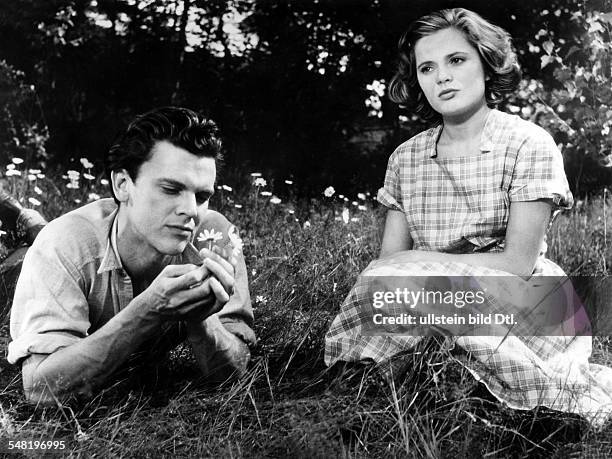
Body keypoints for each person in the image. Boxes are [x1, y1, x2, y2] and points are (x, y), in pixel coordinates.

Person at [325, 8, 612, 425]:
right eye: (427, 67)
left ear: (486, 62)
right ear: (418, 81)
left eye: (456, 60)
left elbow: (518, 264)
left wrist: (420, 268)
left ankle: (520, 402)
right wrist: (408, 273)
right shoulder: (406, 159)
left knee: (422, 289)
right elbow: (389, 264)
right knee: (389, 288)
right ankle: (396, 384)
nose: (441, 76)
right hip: (426, 297)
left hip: (525, 296)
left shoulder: (528, 143)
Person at [8, 106, 256, 405]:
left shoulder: (214, 238)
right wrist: (149, 310)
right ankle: (24, 220)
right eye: (170, 188)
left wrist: (202, 322)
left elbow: (236, 375)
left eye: (202, 196)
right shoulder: (62, 246)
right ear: (122, 185)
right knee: (23, 256)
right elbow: (40, 389)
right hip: (20, 272)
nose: (191, 210)